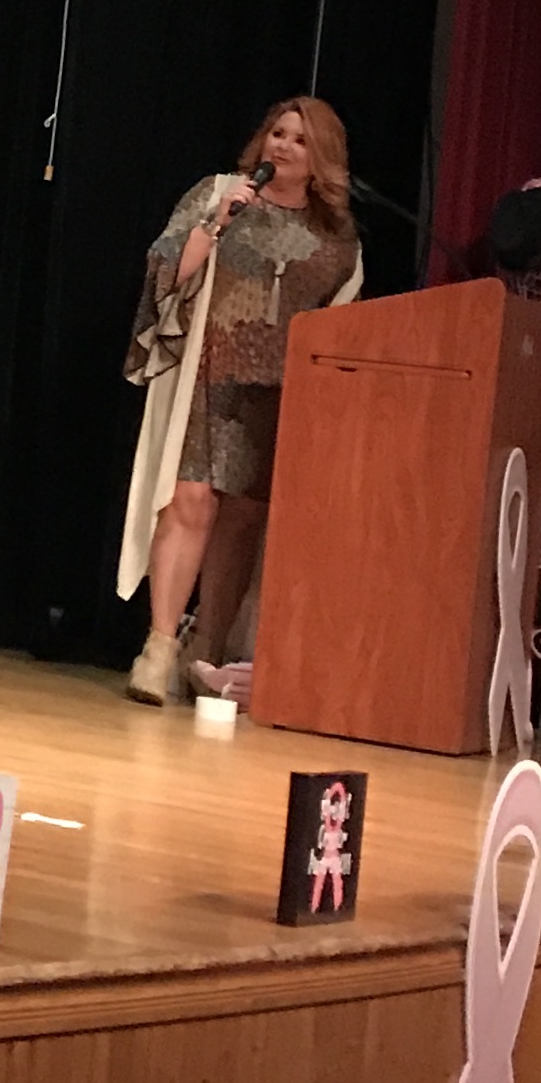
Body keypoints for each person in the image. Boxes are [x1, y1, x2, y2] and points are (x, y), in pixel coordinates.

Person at [118, 97, 362, 704]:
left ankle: (208, 650)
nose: (284, 146)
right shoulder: (219, 193)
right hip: (210, 375)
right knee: (190, 502)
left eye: (300, 140)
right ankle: (159, 647)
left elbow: (343, 316)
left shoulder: (336, 235)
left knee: (243, 521)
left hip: (278, 393)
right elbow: (166, 269)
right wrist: (216, 224)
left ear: (322, 157)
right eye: (278, 133)